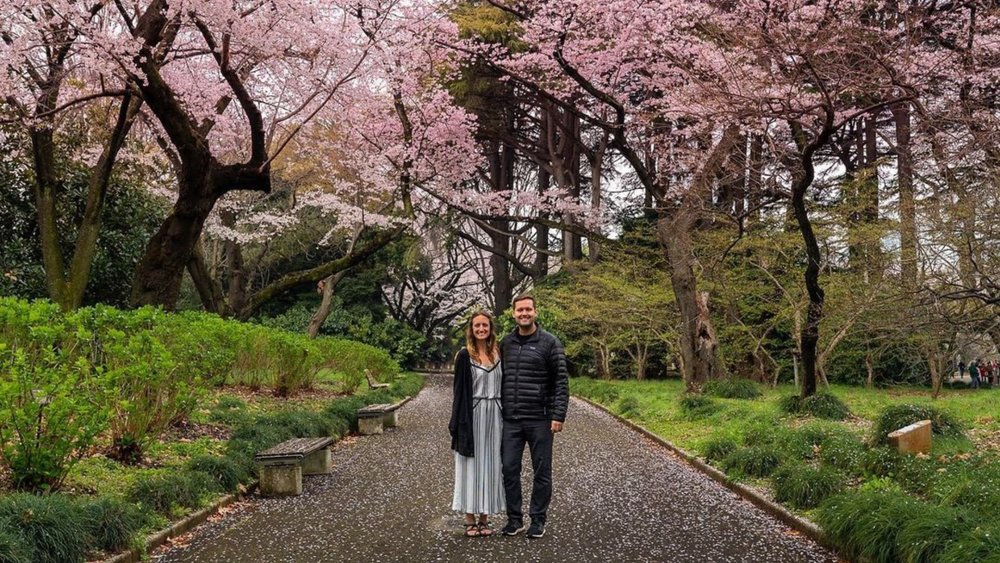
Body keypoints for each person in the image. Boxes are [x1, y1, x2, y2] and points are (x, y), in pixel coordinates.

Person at [499, 294, 569, 539]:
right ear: (513, 313)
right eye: (520, 310)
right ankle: (514, 519)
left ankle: (538, 519)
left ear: (535, 312)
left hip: (540, 418)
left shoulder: (550, 342)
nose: (524, 313)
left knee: (542, 470)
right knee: (509, 469)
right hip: (511, 419)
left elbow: (561, 380)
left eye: (528, 309)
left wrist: (558, 414)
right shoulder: (506, 342)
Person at [449, 311, 505, 537]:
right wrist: (457, 422)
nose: (481, 329)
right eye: (477, 326)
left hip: (496, 415)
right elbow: (458, 392)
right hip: (472, 415)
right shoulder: (464, 355)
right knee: (470, 464)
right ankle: (469, 517)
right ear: (471, 330)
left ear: (490, 328)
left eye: (485, 325)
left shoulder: (498, 353)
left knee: (491, 465)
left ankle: (485, 517)